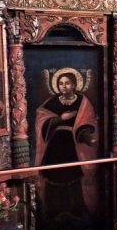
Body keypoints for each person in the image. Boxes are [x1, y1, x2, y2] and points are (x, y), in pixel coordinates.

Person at [34, 70, 98, 219]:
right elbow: (42, 120)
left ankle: (74, 208)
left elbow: (87, 121)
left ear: (74, 85)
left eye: (67, 83)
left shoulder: (82, 101)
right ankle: (53, 210)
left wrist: (87, 137)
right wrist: (60, 118)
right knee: (54, 174)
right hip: (55, 144)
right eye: (61, 84)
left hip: (72, 144)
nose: (64, 86)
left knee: (72, 174)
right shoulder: (52, 102)